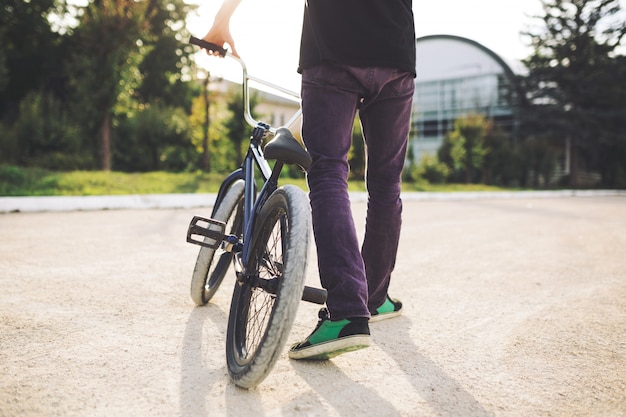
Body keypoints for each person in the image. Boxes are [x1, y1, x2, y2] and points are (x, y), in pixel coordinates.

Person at [203, 0, 416, 360]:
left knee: (328, 171)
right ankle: (374, 298)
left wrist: (222, 20)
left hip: (333, 50)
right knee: (386, 186)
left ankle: (347, 311)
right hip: (395, 56)